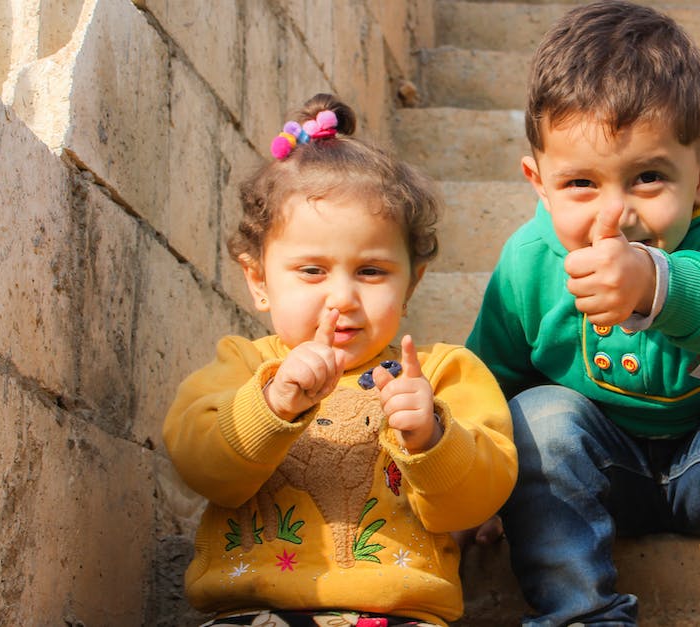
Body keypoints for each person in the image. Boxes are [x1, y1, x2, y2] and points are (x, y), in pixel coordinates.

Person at [464, 2, 700, 625]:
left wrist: (658, 284)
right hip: (599, 470)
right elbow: (491, 379)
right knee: (537, 417)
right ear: (538, 182)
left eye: (648, 178)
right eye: (580, 185)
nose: (614, 215)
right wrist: (477, 482)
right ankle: (580, 613)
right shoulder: (528, 262)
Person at [163, 93, 517, 627]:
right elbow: (202, 467)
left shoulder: (444, 374)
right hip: (254, 610)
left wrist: (433, 436)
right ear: (258, 279)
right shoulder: (243, 365)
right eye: (311, 271)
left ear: (411, 282)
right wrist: (273, 403)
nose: (343, 298)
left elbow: (476, 500)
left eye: (372, 272)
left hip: (396, 614)